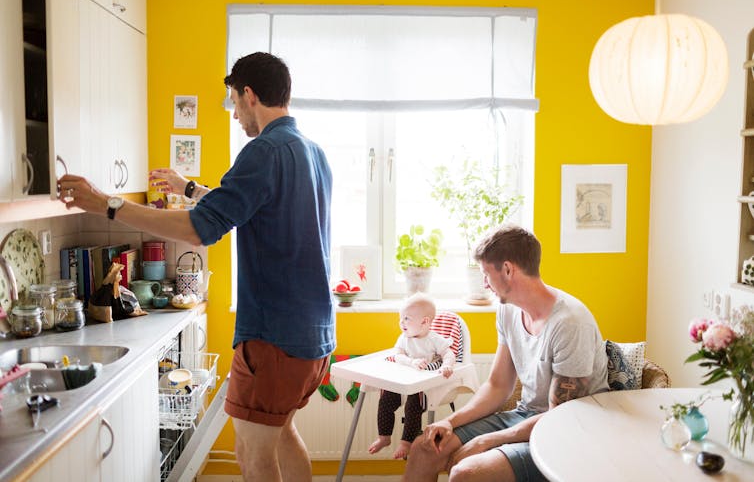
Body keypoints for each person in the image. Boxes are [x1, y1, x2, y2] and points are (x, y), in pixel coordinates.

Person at [57, 52, 334, 482]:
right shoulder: (311, 152)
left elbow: (196, 231)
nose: (237, 114)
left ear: (249, 94)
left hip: (273, 336)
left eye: (235, 103)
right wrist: (189, 187)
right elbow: (251, 206)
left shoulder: (263, 149)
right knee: (281, 435)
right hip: (312, 333)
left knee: (252, 451)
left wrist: (108, 205)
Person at [403, 224, 608, 482]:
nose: (485, 284)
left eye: (486, 275)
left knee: (466, 473)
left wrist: (488, 440)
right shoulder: (509, 310)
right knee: (424, 448)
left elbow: (560, 418)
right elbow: (498, 386)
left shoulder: (570, 324)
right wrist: (450, 423)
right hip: (525, 416)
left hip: (568, 433)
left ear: (508, 269)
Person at [368, 293, 456, 460]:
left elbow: (449, 354)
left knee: (412, 407)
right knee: (386, 400)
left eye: (406, 318)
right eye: (401, 318)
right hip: (402, 381)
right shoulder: (404, 338)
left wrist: (447, 366)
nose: (401, 322)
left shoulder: (434, 339)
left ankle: (406, 442)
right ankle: (384, 437)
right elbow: (398, 356)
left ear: (425, 322)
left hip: (422, 387)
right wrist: (411, 362)